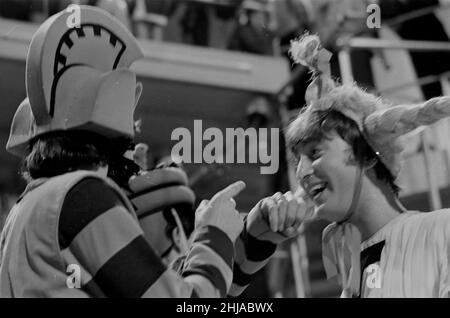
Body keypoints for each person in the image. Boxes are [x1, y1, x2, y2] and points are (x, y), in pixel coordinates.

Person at [0, 5, 308, 298]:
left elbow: (165, 287)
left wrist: (251, 237)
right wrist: (213, 234)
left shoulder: (29, 209)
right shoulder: (83, 195)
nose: (134, 149)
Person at [286, 34, 450, 297]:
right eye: (298, 159)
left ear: (368, 154)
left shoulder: (442, 232)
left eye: (315, 152)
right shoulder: (353, 275)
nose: (301, 173)